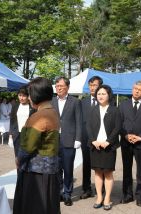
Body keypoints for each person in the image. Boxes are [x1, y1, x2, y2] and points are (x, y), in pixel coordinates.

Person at [13, 77, 60, 214]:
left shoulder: (39, 116)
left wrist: (19, 159)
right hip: (50, 169)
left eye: (29, 94)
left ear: (35, 95)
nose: (28, 98)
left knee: (34, 206)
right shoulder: (53, 112)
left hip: (36, 173)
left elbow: (28, 147)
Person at [86, 85, 121, 211]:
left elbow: (117, 127)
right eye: (99, 94)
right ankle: (99, 197)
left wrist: (108, 141)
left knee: (108, 173)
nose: (100, 96)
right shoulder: (93, 110)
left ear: (109, 95)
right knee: (97, 173)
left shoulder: (115, 110)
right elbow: (88, 127)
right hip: (95, 146)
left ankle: (107, 198)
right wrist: (93, 140)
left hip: (108, 147)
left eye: (103, 94)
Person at [52, 76, 82, 206]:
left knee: (68, 168)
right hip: (53, 141)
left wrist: (78, 138)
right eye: (57, 86)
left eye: (61, 86)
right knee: (57, 168)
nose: (58, 88)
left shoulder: (75, 102)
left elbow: (79, 121)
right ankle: (59, 192)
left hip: (69, 140)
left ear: (67, 87)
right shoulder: (51, 101)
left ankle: (68, 194)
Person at [80, 76, 103, 199]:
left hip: (101, 139)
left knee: (101, 164)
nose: (92, 87)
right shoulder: (82, 102)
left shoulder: (105, 101)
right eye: (90, 85)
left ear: (100, 86)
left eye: (95, 85)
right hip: (86, 139)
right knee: (87, 164)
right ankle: (86, 189)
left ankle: (101, 188)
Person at [9, 85, 35, 157]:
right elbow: (12, 120)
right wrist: (10, 135)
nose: (21, 98)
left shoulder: (32, 107)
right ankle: (19, 168)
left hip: (28, 135)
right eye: (20, 95)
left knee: (28, 156)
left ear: (28, 97)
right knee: (18, 156)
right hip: (17, 135)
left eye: (24, 96)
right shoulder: (15, 106)